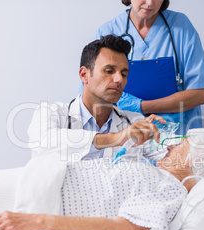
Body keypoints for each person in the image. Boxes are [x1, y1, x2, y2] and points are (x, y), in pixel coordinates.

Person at [0, 128, 204, 230]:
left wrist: (34, 221)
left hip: (38, 200)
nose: (171, 145)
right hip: (42, 177)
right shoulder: (155, 170)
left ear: (192, 163)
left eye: (180, 146)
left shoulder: (171, 193)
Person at [28, 35, 167, 162]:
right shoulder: (52, 112)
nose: (119, 79)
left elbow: (168, 157)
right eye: (109, 71)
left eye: (124, 74)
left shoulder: (135, 121)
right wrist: (116, 138)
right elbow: (43, 142)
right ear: (84, 75)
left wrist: (184, 142)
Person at [90, 0, 204, 135]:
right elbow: (92, 93)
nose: (149, 3)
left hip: (178, 135)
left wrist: (139, 106)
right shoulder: (109, 31)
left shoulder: (181, 26)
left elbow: (200, 94)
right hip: (126, 135)